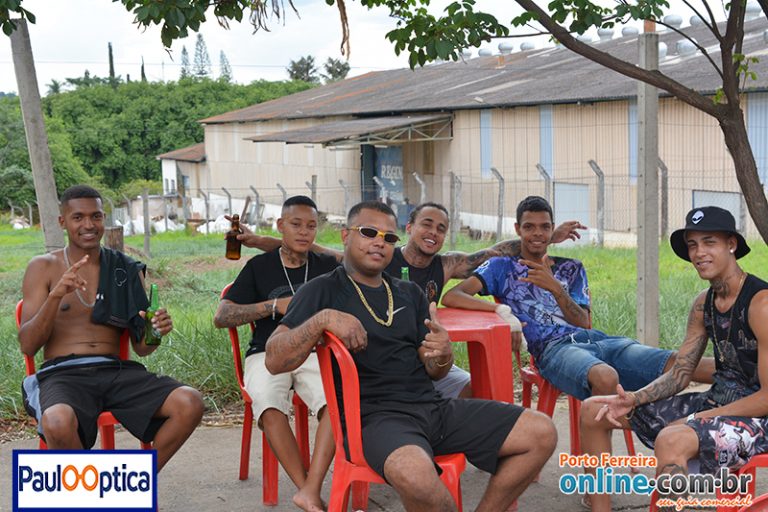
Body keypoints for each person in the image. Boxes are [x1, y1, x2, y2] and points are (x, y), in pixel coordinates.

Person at [264, 200, 558, 512]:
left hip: (432, 408)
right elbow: (274, 359)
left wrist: (442, 353)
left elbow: (435, 371)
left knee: (541, 432)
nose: (380, 242)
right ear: (345, 236)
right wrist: (322, 320)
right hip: (374, 420)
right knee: (417, 479)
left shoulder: (408, 293)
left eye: (389, 237)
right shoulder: (322, 291)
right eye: (368, 232)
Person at [232, 201, 585, 398]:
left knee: (480, 391)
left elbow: (495, 251)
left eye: (441, 228)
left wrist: (545, 237)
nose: (433, 233)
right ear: (410, 228)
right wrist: (260, 241)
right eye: (426, 224)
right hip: (379, 368)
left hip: (425, 360)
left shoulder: (447, 265)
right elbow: (316, 248)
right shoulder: (379, 256)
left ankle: (454, 448)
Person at [581, 206, 768, 512]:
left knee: (672, 440)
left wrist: (697, 419)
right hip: (717, 403)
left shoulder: (761, 304)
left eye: (709, 242)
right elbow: (681, 372)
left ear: (731, 244)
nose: (699, 253)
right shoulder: (703, 304)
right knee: (595, 410)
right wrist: (634, 398)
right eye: (693, 245)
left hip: (760, 421)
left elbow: (767, 398)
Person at [442, 195, 715, 401]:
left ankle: (741, 389)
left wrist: (556, 288)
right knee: (605, 376)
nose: (537, 234)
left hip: (597, 340)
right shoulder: (501, 267)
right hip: (552, 350)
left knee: (682, 362)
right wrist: (503, 314)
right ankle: (597, 460)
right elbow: (453, 296)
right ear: (517, 229)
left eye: (544, 227)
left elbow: (583, 321)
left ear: (552, 230)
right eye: (529, 227)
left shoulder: (570, 268)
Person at [19, 185, 203, 470]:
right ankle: (89, 491)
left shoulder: (124, 268)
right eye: (78, 217)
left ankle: (133, 484)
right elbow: (28, 345)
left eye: (96, 216)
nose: (88, 225)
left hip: (116, 371)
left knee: (189, 402)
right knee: (56, 421)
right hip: (63, 374)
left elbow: (142, 348)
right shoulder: (42, 267)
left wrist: (155, 331)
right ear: (62, 222)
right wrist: (56, 296)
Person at [214, 196, 338, 512]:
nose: (304, 232)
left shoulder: (326, 267)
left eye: (311, 226)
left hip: (316, 352)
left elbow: (352, 261)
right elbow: (222, 316)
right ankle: (306, 489)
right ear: (281, 225)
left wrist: (261, 240)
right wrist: (273, 307)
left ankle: (310, 489)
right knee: (269, 405)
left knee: (336, 404)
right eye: (295, 224)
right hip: (266, 352)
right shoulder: (260, 267)